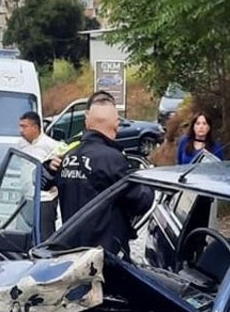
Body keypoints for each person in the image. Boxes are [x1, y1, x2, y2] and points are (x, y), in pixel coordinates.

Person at [45, 91, 154, 258]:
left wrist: (47, 167)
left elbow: (42, 181)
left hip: (71, 251)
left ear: (87, 123)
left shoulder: (68, 156)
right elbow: (140, 202)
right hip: (104, 257)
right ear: (116, 126)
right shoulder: (112, 160)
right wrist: (145, 182)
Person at [17, 110, 62, 238]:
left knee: (43, 236)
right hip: (26, 198)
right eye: (20, 126)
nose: (21, 130)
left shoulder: (52, 146)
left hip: (44, 200)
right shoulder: (21, 145)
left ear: (35, 127)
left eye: (24, 127)